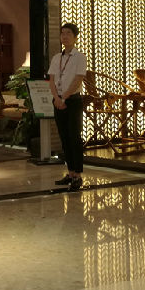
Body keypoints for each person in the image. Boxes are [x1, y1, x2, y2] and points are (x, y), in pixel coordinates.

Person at [48, 22, 87, 191]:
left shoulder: (80, 57)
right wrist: (57, 98)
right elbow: (51, 80)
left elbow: (78, 79)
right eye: (62, 33)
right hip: (58, 101)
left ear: (75, 37)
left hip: (73, 101)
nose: (64, 36)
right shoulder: (57, 57)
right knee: (64, 137)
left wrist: (64, 97)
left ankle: (77, 175)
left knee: (74, 137)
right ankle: (70, 173)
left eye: (68, 33)